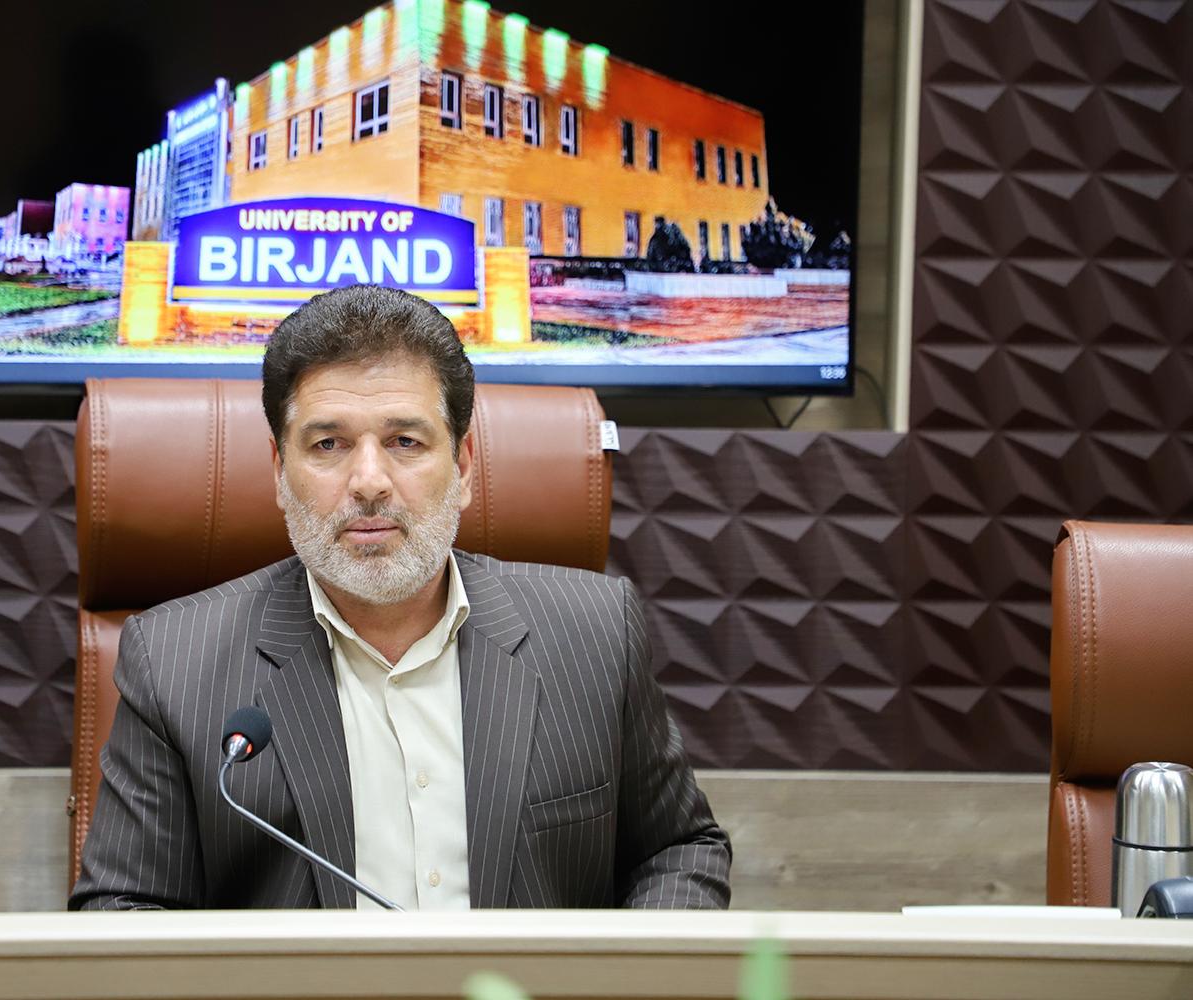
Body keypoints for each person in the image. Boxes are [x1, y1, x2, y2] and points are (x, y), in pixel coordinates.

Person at [70, 285, 731, 911]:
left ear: (463, 468)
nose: (369, 481)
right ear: (279, 472)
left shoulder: (595, 634)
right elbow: (125, 908)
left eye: (405, 442)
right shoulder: (173, 663)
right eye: (328, 444)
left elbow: (677, 850)